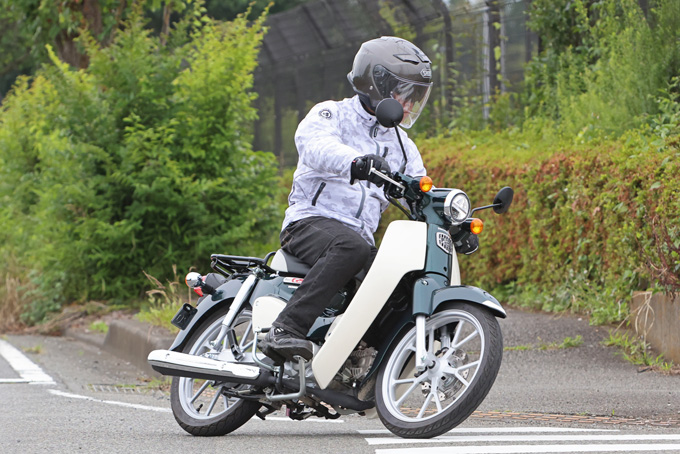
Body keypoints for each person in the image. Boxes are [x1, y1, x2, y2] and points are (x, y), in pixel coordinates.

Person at [259, 36, 433, 363]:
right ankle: (285, 329)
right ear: (376, 84)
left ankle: (357, 359)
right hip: (308, 222)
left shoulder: (403, 146)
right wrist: (356, 162)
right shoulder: (332, 114)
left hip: (358, 239)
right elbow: (314, 144)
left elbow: (419, 188)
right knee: (352, 247)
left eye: (416, 96)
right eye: (405, 94)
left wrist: (449, 216)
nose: (410, 105)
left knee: (398, 277)